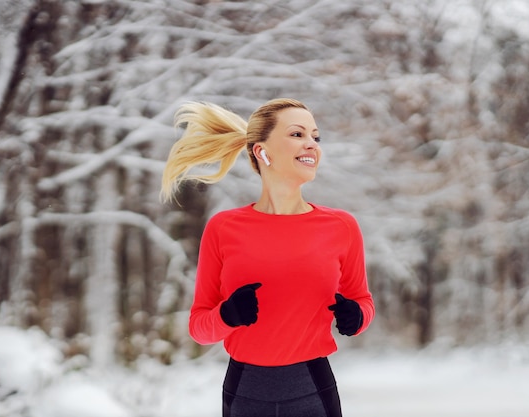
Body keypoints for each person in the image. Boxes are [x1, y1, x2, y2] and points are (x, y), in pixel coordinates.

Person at [161, 98, 375, 417]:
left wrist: (356, 316)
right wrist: (227, 315)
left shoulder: (341, 226)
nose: (311, 145)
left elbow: (363, 300)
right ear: (262, 152)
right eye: (297, 134)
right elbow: (199, 327)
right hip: (246, 391)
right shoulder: (223, 227)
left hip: (312, 389)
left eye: (315, 137)